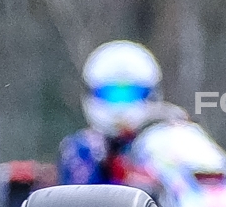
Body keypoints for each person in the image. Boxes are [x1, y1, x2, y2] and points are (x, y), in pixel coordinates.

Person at [57, 39, 182, 187]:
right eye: (112, 94)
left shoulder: (168, 138)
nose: (121, 106)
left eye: (131, 93)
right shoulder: (84, 149)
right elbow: (81, 192)